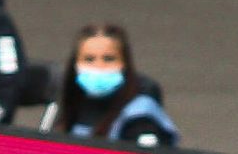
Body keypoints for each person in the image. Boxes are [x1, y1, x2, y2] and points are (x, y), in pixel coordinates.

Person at [40, 23, 180, 147]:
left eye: (109, 59)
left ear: (124, 64)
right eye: (89, 59)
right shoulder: (68, 106)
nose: (99, 66)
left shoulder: (141, 115)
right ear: (75, 65)